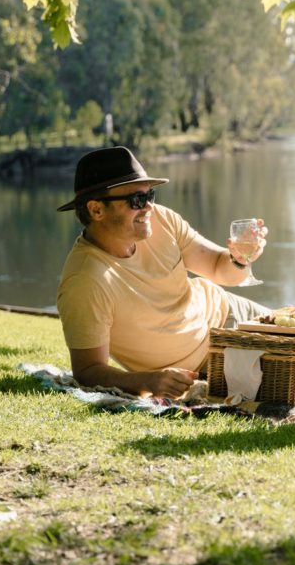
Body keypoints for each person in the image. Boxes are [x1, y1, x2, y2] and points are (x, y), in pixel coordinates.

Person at [55, 146, 270, 398]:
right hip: (207, 364)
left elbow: (218, 269)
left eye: (150, 196)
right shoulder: (85, 281)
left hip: (230, 311)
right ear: (96, 210)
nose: (148, 207)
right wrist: (150, 381)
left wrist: (240, 257)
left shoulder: (162, 220)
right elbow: (88, 370)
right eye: (137, 200)